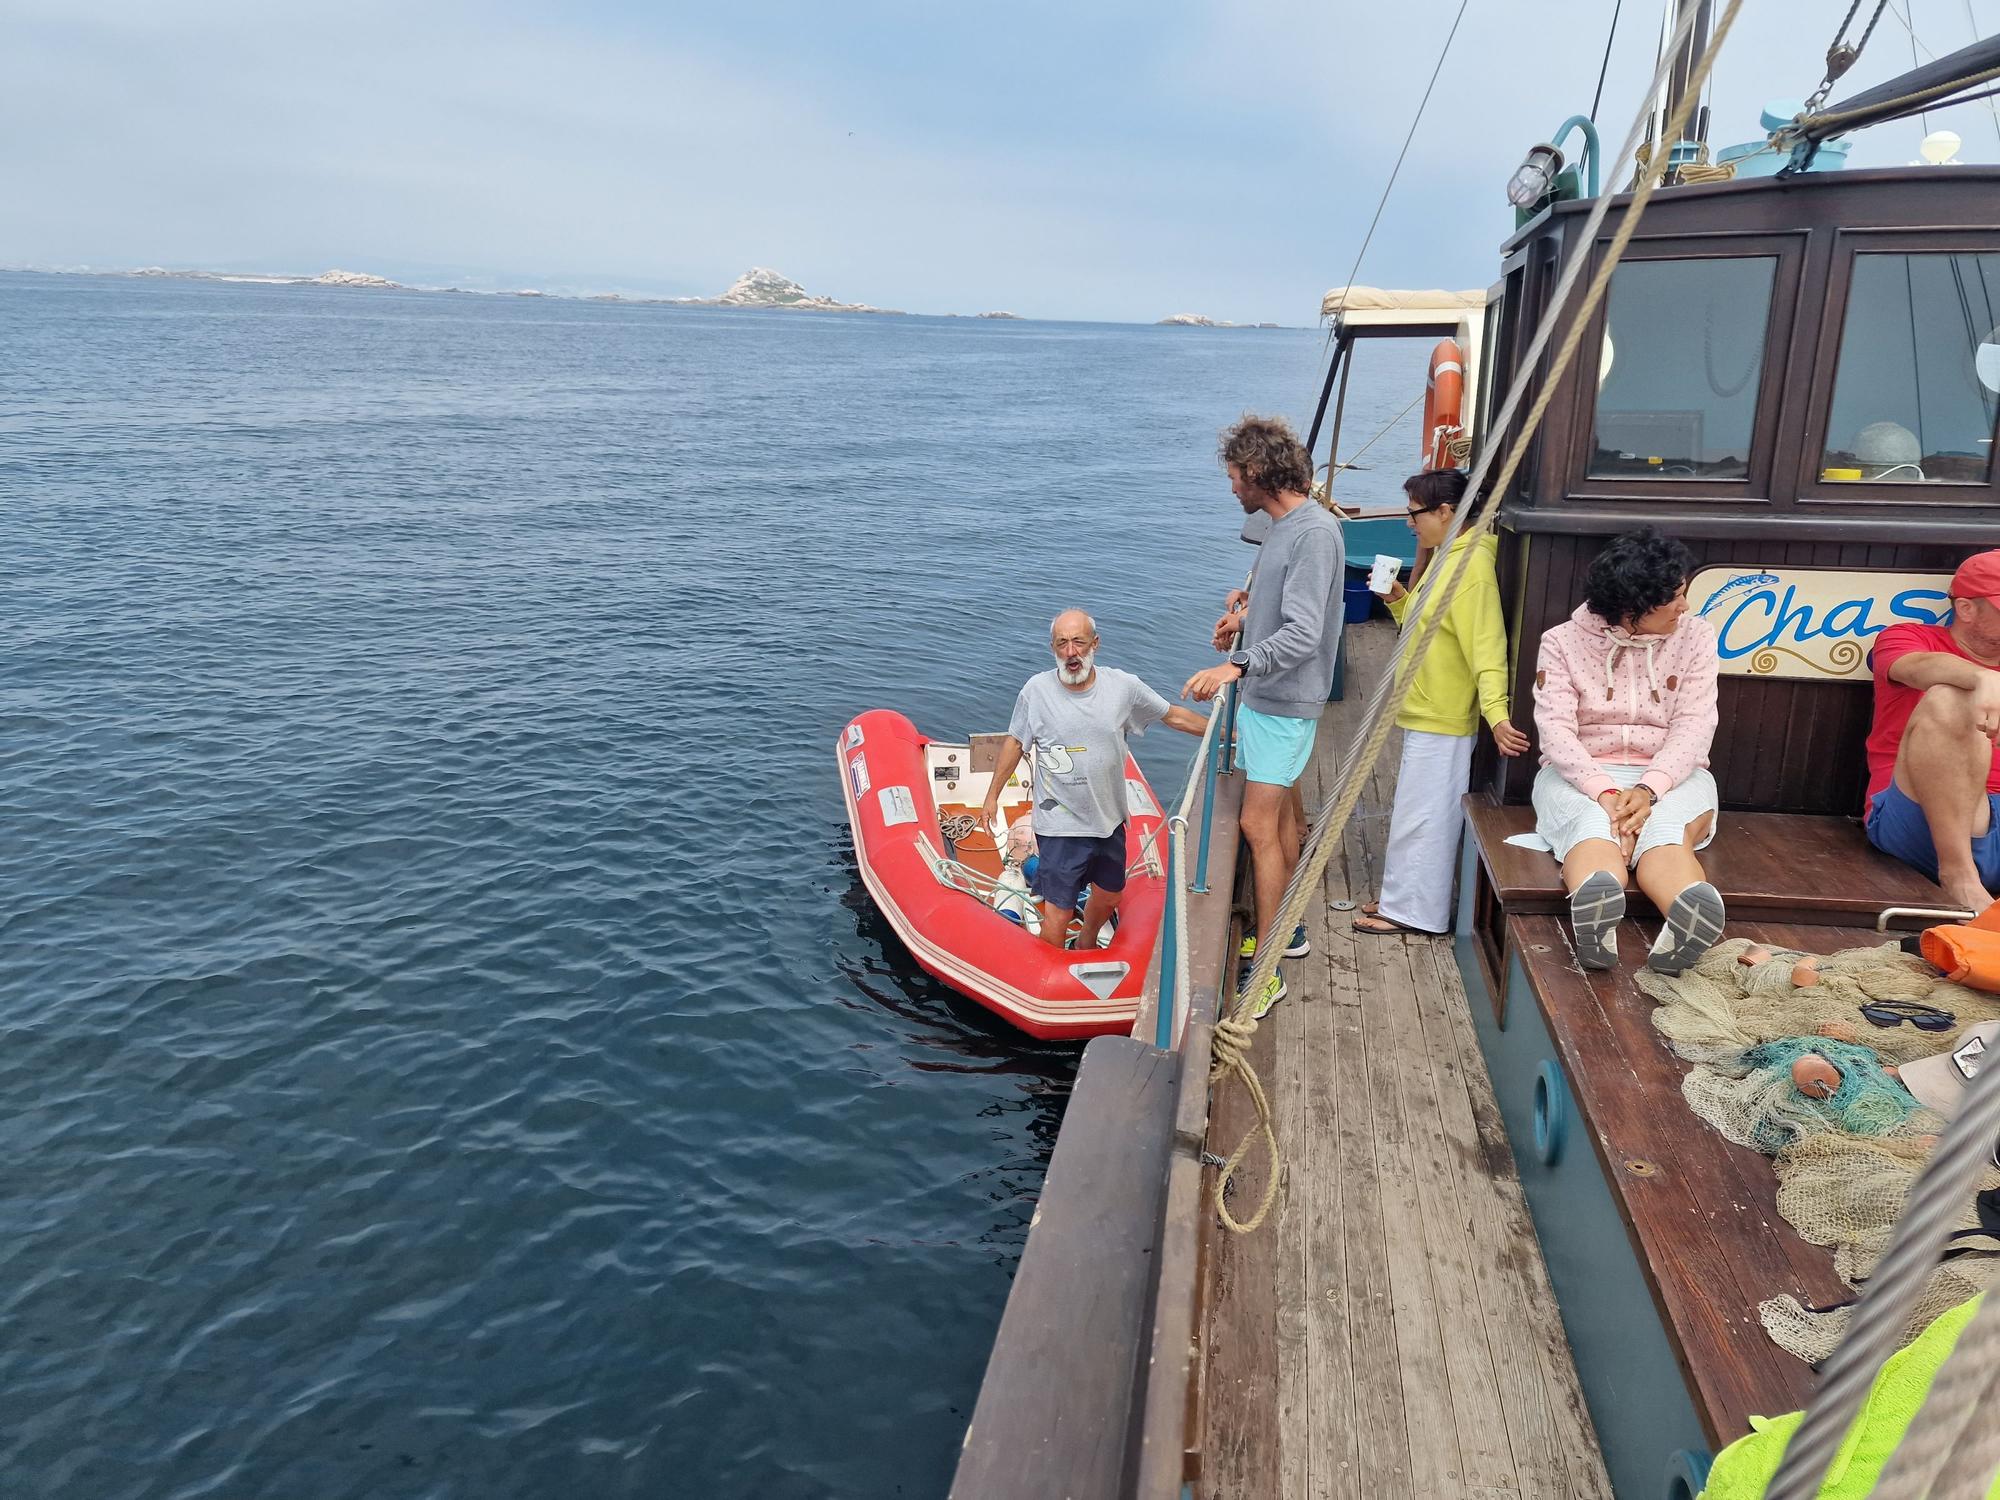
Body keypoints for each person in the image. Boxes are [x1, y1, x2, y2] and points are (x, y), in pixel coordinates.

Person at [1184, 415, 1344, 1016]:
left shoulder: (1313, 533)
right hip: (1268, 700)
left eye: (1233, 475)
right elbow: (1286, 604)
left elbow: (1305, 631)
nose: (1230, 488)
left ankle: (1271, 960)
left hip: (1282, 702)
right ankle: (1290, 930)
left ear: (1255, 472)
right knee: (1274, 821)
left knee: (1258, 825)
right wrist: (1247, 612)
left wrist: (1238, 663)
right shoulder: (1283, 527)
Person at [1531, 528, 1724, 974]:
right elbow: (1556, 731)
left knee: (1666, 825)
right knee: (1592, 822)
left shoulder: (1696, 636)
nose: (1685, 606)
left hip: (1673, 774)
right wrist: (1604, 791)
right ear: (1631, 608)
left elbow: (1695, 725)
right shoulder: (1561, 642)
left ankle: (1685, 920)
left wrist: (1649, 788)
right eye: (1674, 598)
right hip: (1581, 774)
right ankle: (1597, 910)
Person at [1352, 470, 1530, 936]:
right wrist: (1397, 600)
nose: (1410, 523)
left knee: (1426, 815)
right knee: (1416, 810)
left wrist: (1496, 714)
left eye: (1415, 513)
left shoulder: (1468, 569)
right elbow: (1428, 624)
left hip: (1444, 714)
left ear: (1446, 512)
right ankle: (1399, 899)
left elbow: (1486, 646)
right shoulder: (1449, 558)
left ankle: (1416, 912)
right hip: (1427, 707)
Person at [983, 609, 1208, 949]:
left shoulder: (1123, 687)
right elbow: (1015, 741)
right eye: (1062, 644)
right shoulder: (1035, 691)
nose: (1071, 652)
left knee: (1110, 895)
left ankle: (1086, 942)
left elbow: (1173, 716)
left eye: (1078, 642)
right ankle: (1050, 984)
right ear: (1053, 648)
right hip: (1059, 825)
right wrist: (992, 795)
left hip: (1108, 820)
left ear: (1095, 644)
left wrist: (1225, 731)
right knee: (1058, 913)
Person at [1862, 550, 2000, 914]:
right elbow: (1917, 669)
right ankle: (1960, 878)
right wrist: (1982, 678)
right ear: (1967, 609)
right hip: (1924, 816)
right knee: (1950, 697)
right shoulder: (1907, 637)